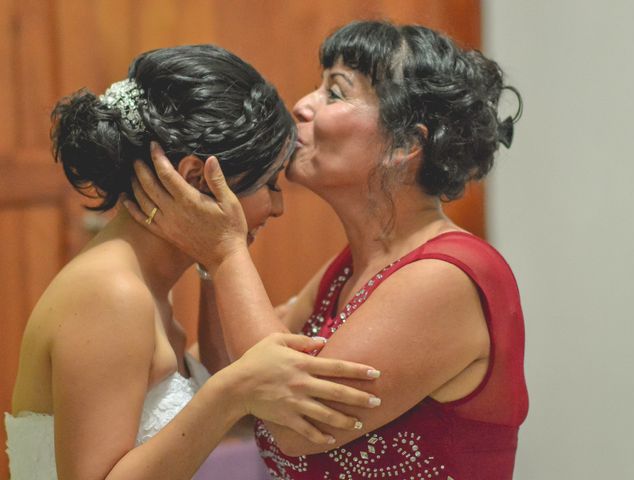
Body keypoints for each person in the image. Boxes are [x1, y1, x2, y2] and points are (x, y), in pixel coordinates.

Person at [127, 21, 529, 480]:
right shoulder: (351, 270)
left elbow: (296, 421)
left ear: (406, 144)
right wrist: (212, 259)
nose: (301, 105)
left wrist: (225, 252)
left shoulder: (445, 276)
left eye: (335, 93)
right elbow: (230, 379)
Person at [5, 44, 385, 480]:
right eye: (271, 183)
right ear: (194, 179)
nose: (278, 207)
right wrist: (230, 393)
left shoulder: (146, 284)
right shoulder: (112, 295)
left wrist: (215, 262)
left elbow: (234, 394)